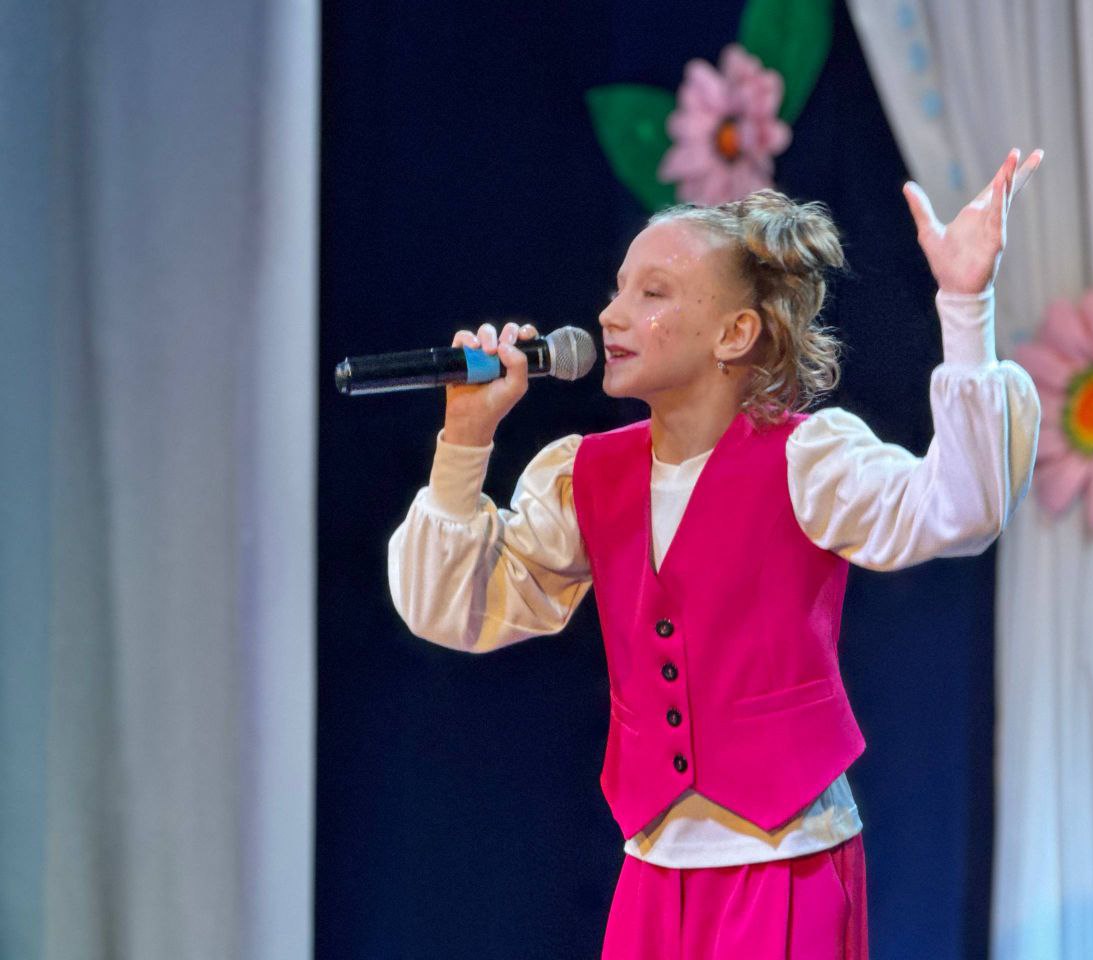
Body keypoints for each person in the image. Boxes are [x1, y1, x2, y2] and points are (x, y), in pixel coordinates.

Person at [388, 147, 1044, 959]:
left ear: (736, 333)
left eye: (652, 293)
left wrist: (966, 305)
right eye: (618, 289)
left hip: (786, 865)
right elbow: (450, 609)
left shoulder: (808, 461)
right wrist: (465, 438)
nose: (611, 316)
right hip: (653, 873)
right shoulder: (585, 477)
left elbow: (959, 508)